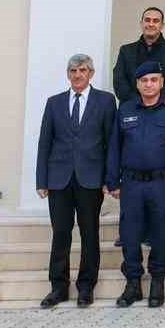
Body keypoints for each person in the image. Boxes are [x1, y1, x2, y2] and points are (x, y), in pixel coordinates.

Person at [35, 53, 118, 308]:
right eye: (73, 71)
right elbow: (45, 142)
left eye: (82, 70)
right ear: (68, 74)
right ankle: (58, 287)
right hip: (59, 179)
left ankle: (86, 287)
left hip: (90, 179)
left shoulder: (105, 101)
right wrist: (41, 180)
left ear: (91, 73)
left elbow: (111, 142)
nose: (78, 75)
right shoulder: (54, 103)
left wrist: (110, 178)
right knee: (60, 233)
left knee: (89, 233)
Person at [105, 61, 165, 308]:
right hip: (131, 183)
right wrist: (112, 181)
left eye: (153, 80)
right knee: (130, 234)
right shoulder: (126, 109)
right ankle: (133, 284)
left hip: (162, 182)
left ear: (161, 82)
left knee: (162, 233)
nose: (149, 85)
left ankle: (158, 282)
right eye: (144, 81)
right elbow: (114, 147)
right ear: (137, 84)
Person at [113, 7, 165, 106]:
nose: (151, 24)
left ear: (162, 25)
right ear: (141, 23)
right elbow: (120, 82)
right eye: (147, 20)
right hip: (130, 108)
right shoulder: (126, 51)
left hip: (162, 109)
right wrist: (139, 103)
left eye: (155, 21)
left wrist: (153, 103)